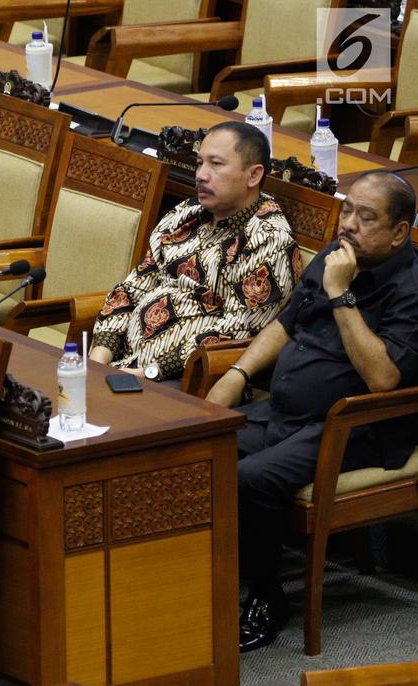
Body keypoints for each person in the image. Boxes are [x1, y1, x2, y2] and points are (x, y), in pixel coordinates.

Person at [204, 172, 418, 652]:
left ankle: (265, 597)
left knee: (253, 478)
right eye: (347, 211)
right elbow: (285, 324)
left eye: (367, 218)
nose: (349, 225)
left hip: (355, 428)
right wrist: (235, 376)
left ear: (400, 232)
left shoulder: (410, 288)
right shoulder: (333, 256)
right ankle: (218, 575)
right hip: (284, 414)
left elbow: (384, 380)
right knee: (199, 445)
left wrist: (342, 295)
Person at [89, 121, 301, 381]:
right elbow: (133, 288)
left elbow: (237, 332)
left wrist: (146, 373)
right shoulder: (184, 214)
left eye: (216, 164)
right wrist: (99, 360)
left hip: (185, 382)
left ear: (253, 175)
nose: (201, 174)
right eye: (200, 163)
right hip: (121, 365)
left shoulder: (269, 240)